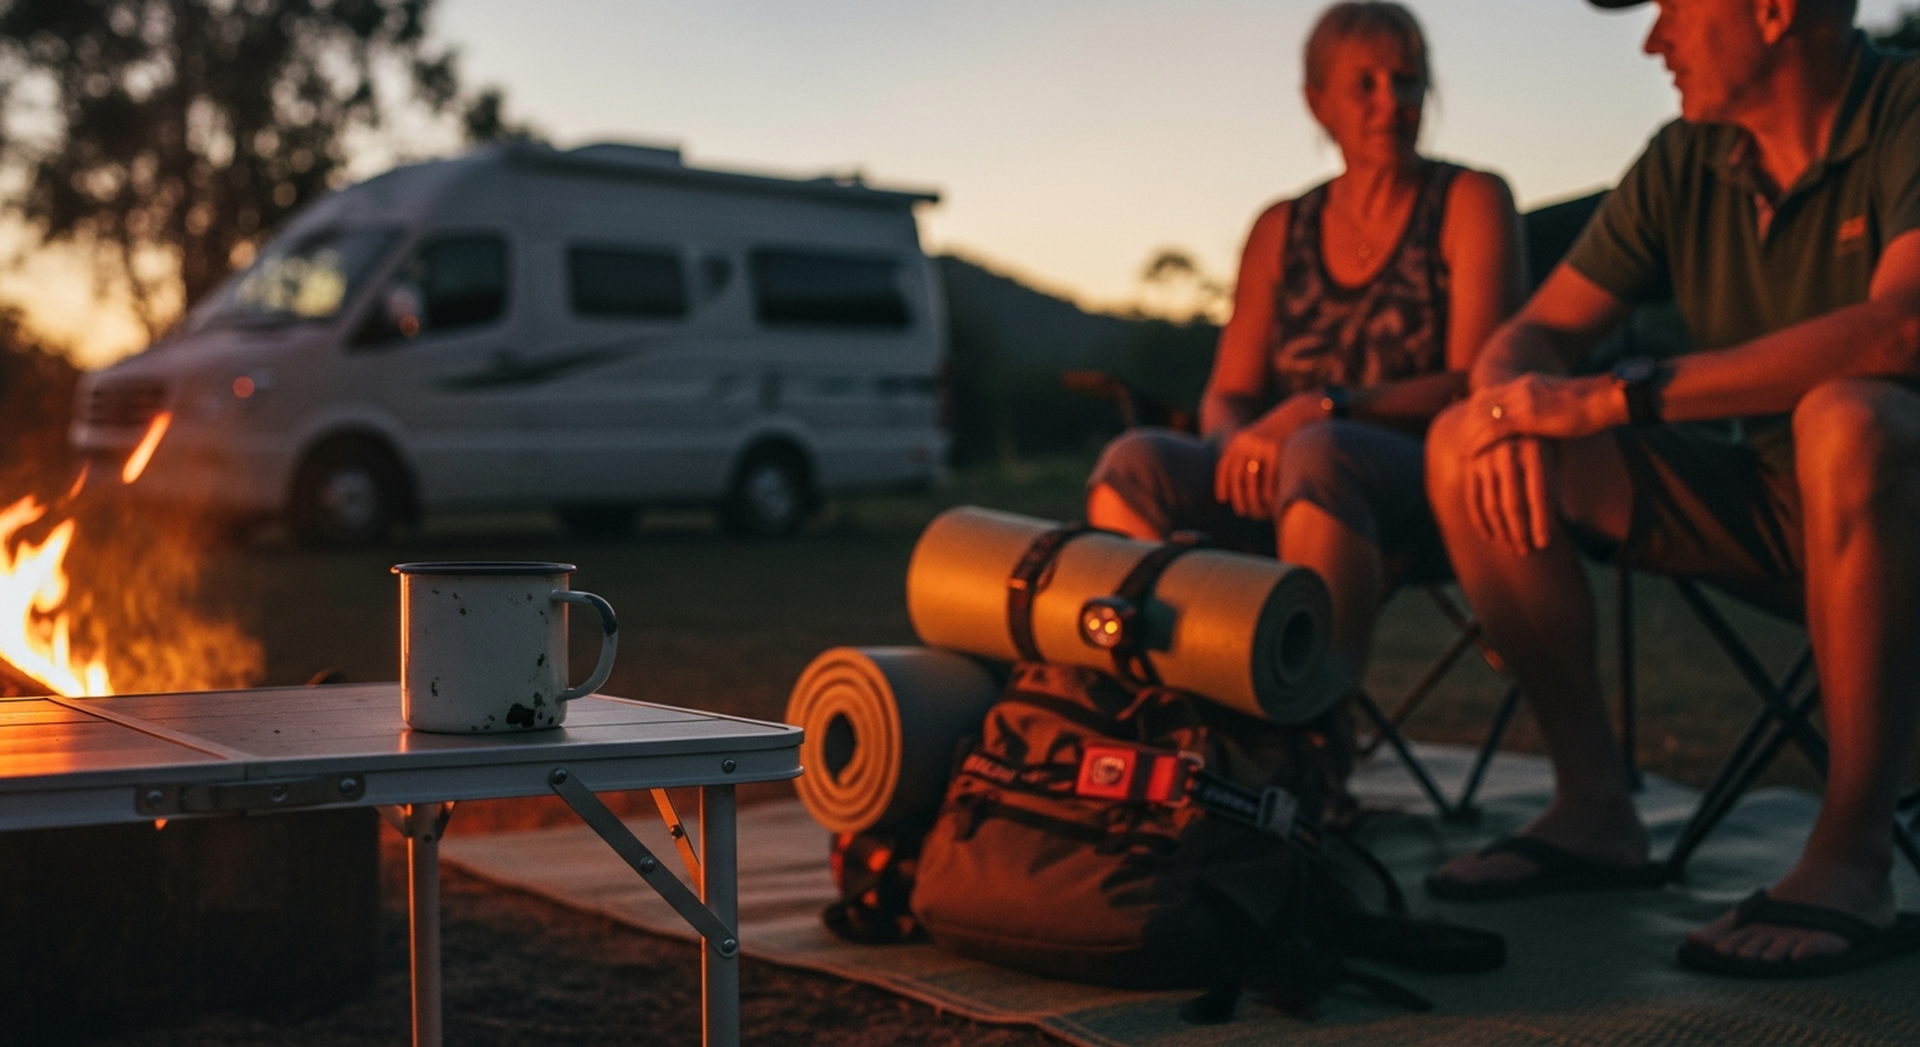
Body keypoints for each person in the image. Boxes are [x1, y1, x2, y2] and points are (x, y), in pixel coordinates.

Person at [1421, 0, 1920, 977]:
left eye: (1674, 11)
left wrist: (1618, 397)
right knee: (1463, 441)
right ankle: (1595, 809)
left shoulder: (1906, 109)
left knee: (1849, 418)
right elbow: (1531, 337)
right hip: (1779, 511)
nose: (1655, 42)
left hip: (1900, 503)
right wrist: (1512, 408)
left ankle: (1854, 853)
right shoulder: (1687, 159)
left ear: (1773, 11)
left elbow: (1900, 331)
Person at [1085, 2, 1524, 706]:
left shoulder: (1469, 200)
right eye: (1365, 85)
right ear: (1317, 103)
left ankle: (1314, 716)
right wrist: (1237, 449)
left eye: (1407, 82)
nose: (1391, 103)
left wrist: (1321, 410)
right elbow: (1228, 390)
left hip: (1425, 478)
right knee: (1133, 464)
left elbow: (1475, 380)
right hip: (1284, 473)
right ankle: (1177, 702)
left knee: (1321, 451)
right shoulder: (1280, 228)